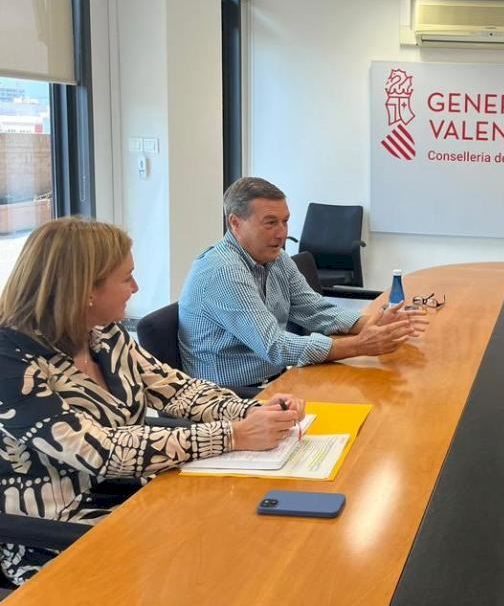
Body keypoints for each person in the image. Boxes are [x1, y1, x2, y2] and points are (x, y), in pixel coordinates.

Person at [0, 217, 304, 586]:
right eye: (126, 278)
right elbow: (102, 451)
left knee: (246, 540)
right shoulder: (11, 362)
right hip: (59, 534)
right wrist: (234, 435)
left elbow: (176, 390)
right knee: (216, 562)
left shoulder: (102, 333)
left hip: (135, 497)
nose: (136, 288)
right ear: (85, 289)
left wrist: (255, 411)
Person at [179, 177, 426, 388]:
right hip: (231, 396)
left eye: (285, 221)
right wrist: (358, 346)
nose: (282, 233)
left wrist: (372, 323)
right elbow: (274, 346)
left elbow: (314, 309)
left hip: (275, 380)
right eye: (270, 223)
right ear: (235, 223)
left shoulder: (276, 258)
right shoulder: (223, 271)